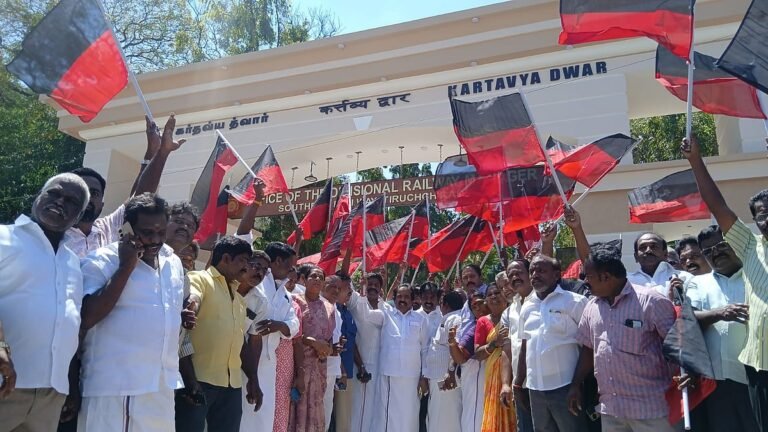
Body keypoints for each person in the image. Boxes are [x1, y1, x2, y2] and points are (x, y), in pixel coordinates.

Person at [77, 193, 184, 431]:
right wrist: (126, 266)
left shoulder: (173, 262)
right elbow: (87, 317)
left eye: (161, 231)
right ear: (127, 228)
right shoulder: (102, 261)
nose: (156, 240)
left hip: (161, 386)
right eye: (147, 232)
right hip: (118, 386)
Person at [682, 134, 768, 428]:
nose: (765, 221)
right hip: (758, 369)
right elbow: (717, 205)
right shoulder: (749, 246)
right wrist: (695, 160)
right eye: (760, 216)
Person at [0, 174, 89, 432]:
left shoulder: (73, 263)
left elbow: (69, 324)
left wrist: (69, 383)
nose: (59, 202)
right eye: (53, 193)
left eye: (71, 201)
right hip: (6, 383)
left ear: (79, 215)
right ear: (38, 196)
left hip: (51, 394)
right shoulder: (4, 238)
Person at [568, 243, 677, 432]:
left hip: (650, 410)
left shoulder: (652, 302)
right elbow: (588, 349)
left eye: (589, 276)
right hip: (612, 411)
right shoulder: (592, 307)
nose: (584, 281)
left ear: (606, 277)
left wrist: (684, 377)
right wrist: (575, 384)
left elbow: (676, 346)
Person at [64, 115, 184, 258]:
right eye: (81, 192)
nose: (87, 198)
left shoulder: (105, 229)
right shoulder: (53, 235)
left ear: (102, 205)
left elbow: (139, 199)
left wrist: (158, 152)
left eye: (94, 193)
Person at [175, 236, 253, 432]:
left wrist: (253, 379)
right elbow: (194, 296)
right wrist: (191, 307)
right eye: (243, 260)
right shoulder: (200, 278)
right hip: (198, 381)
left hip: (232, 385)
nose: (247, 266)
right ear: (226, 258)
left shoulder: (240, 300)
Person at [684, 225, 759, 431]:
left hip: (757, 377)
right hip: (718, 382)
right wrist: (719, 313)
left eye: (721, 245)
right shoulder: (698, 283)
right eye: (707, 251)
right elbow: (688, 319)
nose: (715, 253)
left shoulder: (756, 275)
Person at [515, 255, 588, 432]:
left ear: (556, 275)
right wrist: (518, 383)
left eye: (541, 270)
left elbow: (589, 346)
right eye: (532, 270)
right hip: (535, 389)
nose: (534, 275)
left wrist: (577, 385)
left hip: (566, 388)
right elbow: (525, 347)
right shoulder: (527, 306)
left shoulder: (575, 302)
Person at [244, 241, 301, 431]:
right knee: (246, 413)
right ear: (277, 261)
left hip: (270, 362)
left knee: (264, 416)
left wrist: (279, 325)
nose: (292, 269)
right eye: (290, 264)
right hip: (248, 357)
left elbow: (294, 325)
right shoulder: (257, 284)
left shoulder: (286, 294)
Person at [370, 284, 430, 432]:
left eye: (406, 297)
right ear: (395, 298)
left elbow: (425, 349)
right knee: (388, 417)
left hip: (412, 377)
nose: (402, 300)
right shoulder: (386, 314)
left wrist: (423, 375)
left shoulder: (421, 319)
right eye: (399, 296)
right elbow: (375, 306)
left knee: (409, 415)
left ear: (412, 299)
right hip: (390, 375)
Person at [291, 269, 337, 432]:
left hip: (319, 367)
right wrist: (312, 342)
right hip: (297, 364)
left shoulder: (329, 307)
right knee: (294, 408)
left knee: (315, 409)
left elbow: (329, 339)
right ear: (304, 279)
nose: (317, 279)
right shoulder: (295, 301)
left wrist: (327, 348)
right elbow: (292, 334)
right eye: (313, 276)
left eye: (320, 277)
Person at [474, 284, 516, 431]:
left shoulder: (515, 315)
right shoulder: (483, 321)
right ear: (486, 300)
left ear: (505, 296)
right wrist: (494, 343)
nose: (493, 296)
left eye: (497, 293)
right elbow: (477, 354)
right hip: (493, 375)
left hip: (517, 370)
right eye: (489, 294)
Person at [500, 259, 535, 432]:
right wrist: (506, 383)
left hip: (545, 385)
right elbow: (507, 350)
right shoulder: (509, 311)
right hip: (520, 387)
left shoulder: (542, 300)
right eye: (511, 274)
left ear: (530, 273)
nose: (515, 277)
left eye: (519, 272)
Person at [422, 291, 464, 432]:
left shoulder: (455, 319)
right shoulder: (449, 318)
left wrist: (451, 372)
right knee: (437, 417)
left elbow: (457, 346)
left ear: (444, 305)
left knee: (447, 419)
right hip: (439, 379)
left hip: (447, 380)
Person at [348, 273, 384, 432]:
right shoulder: (356, 301)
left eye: (376, 285)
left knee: (373, 408)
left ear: (381, 288)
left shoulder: (385, 307)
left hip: (379, 367)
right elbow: (343, 279)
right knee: (357, 408)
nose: (373, 287)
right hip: (359, 365)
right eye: (370, 283)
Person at [450, 292, 489, 432]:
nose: (478, 308)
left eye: (480, 303)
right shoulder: (475, 328)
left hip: (495, 381)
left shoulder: (501, 320)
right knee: (475, 421)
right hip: (476, 380)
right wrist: (452, 343)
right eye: (474, 306)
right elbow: (460, 357)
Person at [628, 232, 692, 296]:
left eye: (654, 246)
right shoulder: (627, 282)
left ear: (665, 254)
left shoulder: (685, 278)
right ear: (636, 256)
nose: (648, 250)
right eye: (643, 247)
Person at [334, 272, 358, 432]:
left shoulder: (347, 312)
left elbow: (352, 342)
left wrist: (360, 365)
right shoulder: (331, 311)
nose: (350, 291)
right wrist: (340, 369)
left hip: (347, 372)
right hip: (334, 372)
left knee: (344, 418)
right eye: (346, 288)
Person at [322, 275, 344, 432]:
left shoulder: (336, 310)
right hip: (318, 368)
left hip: (332, 369)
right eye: (332, 286)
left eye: (339, 288)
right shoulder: (318, 306)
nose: (336, 290)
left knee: (326, 412)